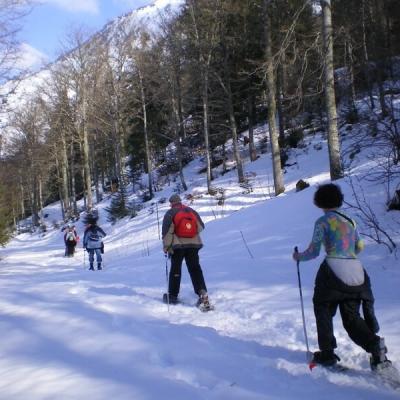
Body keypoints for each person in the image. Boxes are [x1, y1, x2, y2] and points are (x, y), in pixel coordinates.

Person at [292, 183, 391, 371]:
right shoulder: (351, 221)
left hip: (332, 272)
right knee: (352, 318)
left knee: (323, 308)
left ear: (319, 201)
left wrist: (298, 257)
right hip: (357, 274)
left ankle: (327, 353)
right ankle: (375, 346)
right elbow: (360, 247)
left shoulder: (323, 222)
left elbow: (313, 252)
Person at [162, 194, 211, 310]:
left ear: (171, 203)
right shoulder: (191, 211)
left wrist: (166, 246)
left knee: (176, 269)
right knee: (195, 269)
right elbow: (200, 227)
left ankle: (173, 296)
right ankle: (202, 293)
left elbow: (167, 232)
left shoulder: (170, 213)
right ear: (180, 201)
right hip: (194, 245)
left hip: (178, 246)